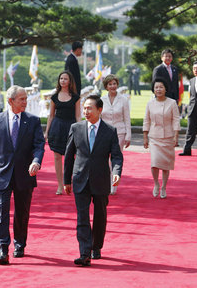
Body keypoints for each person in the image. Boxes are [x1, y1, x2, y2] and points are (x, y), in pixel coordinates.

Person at [0, 85, 45, 265]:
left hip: (25, 173)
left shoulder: (32, 121)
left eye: (25, 98)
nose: (25, 102)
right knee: (2, 211)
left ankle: (20, 244)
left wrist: (36, 161)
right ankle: (3, 247)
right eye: (21, 99)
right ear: (10, 101)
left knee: (22, 212)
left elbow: (39, 145)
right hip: (2, 173)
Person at [63, 95, 123, 266]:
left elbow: (117, 156)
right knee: (82, 216)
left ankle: (96, 246)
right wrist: (67, 180)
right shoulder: (76, 128)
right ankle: (84, 252)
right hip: (80, 178)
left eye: (90, 108)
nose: (86, 111)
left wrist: (116, 172)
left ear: (99, 110)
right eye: (84, 108)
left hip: (101, 179)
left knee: (100, 216)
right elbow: (69, 156)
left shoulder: (110, 131)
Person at [143, 77, 180, 198]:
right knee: (154, 163)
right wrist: (145, 137)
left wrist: (176, 136)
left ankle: (164, 186)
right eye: (156, 87)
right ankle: (156, 184)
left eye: (161, 87)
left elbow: (175, 120)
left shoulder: (172, 103)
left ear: (165, 89)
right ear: (153, 89)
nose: (158, 89)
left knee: (165, 165)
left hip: (168, 136)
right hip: (154, 137)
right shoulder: (150, 103)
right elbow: (146, 120)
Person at [45, 71, 81, 195]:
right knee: (57, 157)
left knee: (72, 157)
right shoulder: (54, 97)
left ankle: (69, 183)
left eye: (65, 79)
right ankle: (60, 185)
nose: (63, 81)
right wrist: (46, 132)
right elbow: (50, 116)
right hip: (57, 127)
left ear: (70, 81)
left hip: (71, 128)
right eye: (61, 78)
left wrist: (81, 131)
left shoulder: (76, 97)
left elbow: (78, 116)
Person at [100, 74, 131, 195]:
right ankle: (105, 183)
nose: (113, 86)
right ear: (106, 86)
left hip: (120, 132)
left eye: (114, 84)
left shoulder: (123, 99)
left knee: (116, 159)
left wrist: (128, 135)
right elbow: (99, 118)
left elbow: (127, 118)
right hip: (105, 133)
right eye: (110, 84)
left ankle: (114, 185)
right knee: (104, 159)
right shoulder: (102, 100)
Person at [179, 61, 197, 156]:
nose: (195, 70)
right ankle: (187, 149)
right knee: (190, 131)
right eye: (194, 69)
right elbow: (191, 96)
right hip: (192, 110)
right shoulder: (191, 81)